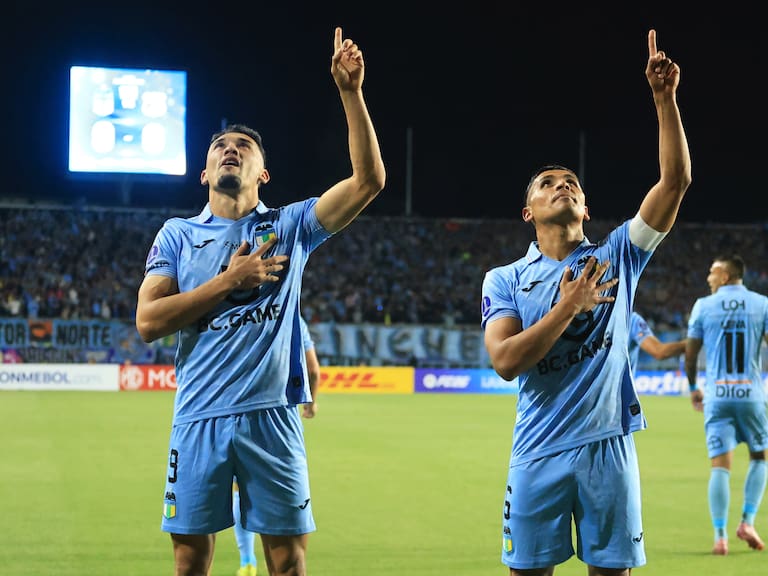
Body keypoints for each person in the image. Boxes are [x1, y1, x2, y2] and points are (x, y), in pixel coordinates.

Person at [135, 26, 385, 576]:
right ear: (204, 173)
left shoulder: (289, 225)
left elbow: (368, 181)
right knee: (189, 564)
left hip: (272, 417)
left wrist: (350, 93)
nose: (231, 150)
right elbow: (149, 322)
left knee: (289, 565)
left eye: (243, 147)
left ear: (261, 173)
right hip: (197, 415)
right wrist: (230, 280)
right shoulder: (176, 235)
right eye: (220, 147)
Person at [480, 29, 691, 575]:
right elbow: (504, 362)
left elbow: (675, 182)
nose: (562, 186)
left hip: (608, 450)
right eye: (547, 183)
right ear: (528, 211)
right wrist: (569, 306)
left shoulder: (618, 256)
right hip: (537, 450)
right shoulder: (503, 279)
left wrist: (664, 103)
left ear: (586, 206)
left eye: (571, 182)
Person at [684, 254, 768, 556]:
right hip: (751, 394)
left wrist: (694, 388)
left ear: (725, 275)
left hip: (717, 396)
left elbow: (691, 355)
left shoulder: (704, 306)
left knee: (720, 466)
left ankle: (720, 536)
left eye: (712, 271)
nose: (708, 277)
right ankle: (747, 521)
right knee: (760, 457)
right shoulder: (762, 304)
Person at [232, 316, 321, 576]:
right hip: (278, 421)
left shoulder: (232, 307)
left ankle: (247, 559)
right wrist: (311, 402)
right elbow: (313, 369)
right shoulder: (292, 316)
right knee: (285, 537)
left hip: (230, 410)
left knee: (239, 491)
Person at [628, 310, 686, 375]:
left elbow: (658, 350)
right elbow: (658, 351)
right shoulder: (631, 320)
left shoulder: (631, 320)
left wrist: (691, 343)